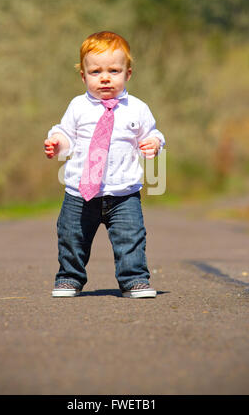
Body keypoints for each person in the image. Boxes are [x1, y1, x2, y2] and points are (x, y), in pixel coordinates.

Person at [44, 31, 165, 298]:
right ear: (83, 76)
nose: (106, 77)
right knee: (71, 237)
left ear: (128, 74)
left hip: (123, 192)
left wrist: (154, 144)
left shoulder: (137, 108)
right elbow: (66, 134)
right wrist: (57, 143)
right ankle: (69, 278)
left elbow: (153, 134)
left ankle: (134, 279)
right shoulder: (78, 107)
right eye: (96, 71)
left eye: (114, 70)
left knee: (131, 238)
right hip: (80, 192)